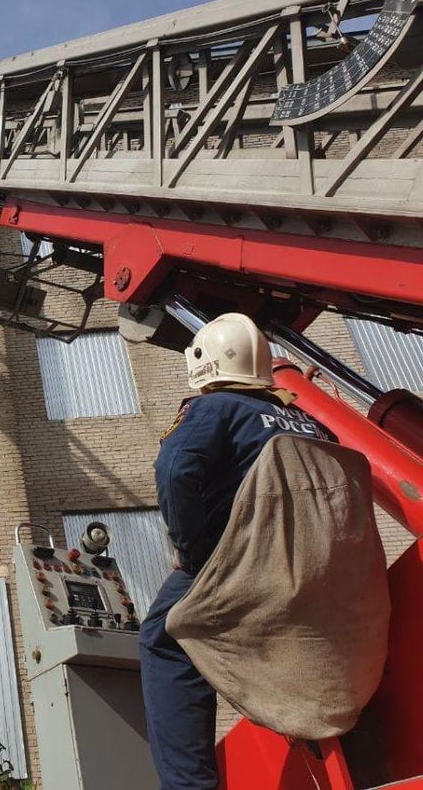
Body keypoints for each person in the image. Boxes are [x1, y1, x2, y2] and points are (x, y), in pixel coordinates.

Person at [139, 313, 332, 790]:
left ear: (204, 367)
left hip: (245, 566)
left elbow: (176, 471)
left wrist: (195, 553)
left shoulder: (215, 408)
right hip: (315, 573)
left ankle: (189, 786)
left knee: (163, 638)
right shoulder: (308, 420)